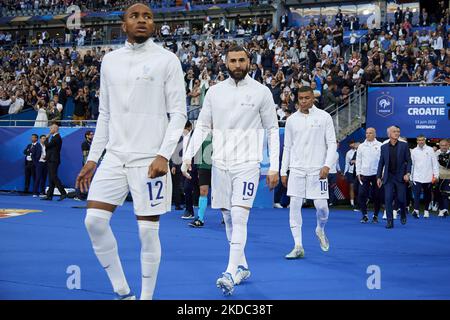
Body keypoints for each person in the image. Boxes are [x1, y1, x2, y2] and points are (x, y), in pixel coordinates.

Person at [75, 3, 187, 300]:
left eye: (147, 16)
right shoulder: (110, 61)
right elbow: (105, 115)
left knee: (147, 233)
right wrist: (91, 160)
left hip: (149, 160)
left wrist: (164, 154)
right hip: (114, 156)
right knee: (94, 222)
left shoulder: (167, 60)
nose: (142, 20)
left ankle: (146, 297)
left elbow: (178, 114)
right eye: (134, 16)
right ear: (123, 24)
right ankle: (122, 291)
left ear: (154, 25)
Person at [181, 45, 280, 296]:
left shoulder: (262, 92)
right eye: (233, 61)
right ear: (226, 63)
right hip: (220, 163)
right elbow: (202, 126)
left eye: (242, 60)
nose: (237, 64)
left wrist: (274, 166)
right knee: (227, 216)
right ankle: (242, 266)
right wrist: (188, 155)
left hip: (247, 163)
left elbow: (272, 130)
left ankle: (229, 272)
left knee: (239, 216)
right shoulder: (214, 92)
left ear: (250, 62)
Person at [281, 86, 337, 259]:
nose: (303, 101)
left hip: (317, 170)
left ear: (313, 98)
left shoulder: (324, 117)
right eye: (300, 98)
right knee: (294, 206)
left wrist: (327, 165)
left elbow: (332, 144)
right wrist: (284, 171)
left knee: (322, 207)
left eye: (307, 98)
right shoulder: (291, 120)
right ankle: (298, 245)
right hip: (296, 170)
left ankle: (320, 229)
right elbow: (288, 147)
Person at [377, 126, 412, 229]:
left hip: (401, 176)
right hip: (388, 177)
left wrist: (408, 173)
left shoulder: (404, 145)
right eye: (394, 131)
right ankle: (389, 221)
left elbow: (409, 161)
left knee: (401, 199)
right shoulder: (383, 147)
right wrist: (378, 177)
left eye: (398, 131)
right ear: (389, 134)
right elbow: (381, 163)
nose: (397, 133)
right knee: (388, 199)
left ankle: (403, 214)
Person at [356, 128, 382, 223]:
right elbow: (358, 160)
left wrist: (381, 173)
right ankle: (364, 215)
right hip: (364, 174)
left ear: (375, 134)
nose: (368, 135)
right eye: (367, 133)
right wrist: (358, 173)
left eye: (370, 133)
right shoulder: (361, 146)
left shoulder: (380, 145)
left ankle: (375, 216)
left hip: (376, 175)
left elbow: (382, 161)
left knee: (377, 196)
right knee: (361, 195)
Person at [411, 135, 439, 219]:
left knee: (427, 195)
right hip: (417, 177)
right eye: (419, 140)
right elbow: (412, 165)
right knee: (416, 194)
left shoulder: (430, 150)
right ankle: (416, 211)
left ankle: (426, 211)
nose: (421, 142)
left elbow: (434, 164)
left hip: (428, 177)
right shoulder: (414, 151)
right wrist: (411, 177)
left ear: (425, 140)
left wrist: (436, 175)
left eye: (422, 140)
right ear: (417, 141)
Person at [188, 133, 212, 228]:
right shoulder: (200, 132)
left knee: (222, 192)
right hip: (203, 166)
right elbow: (196, 149)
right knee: (203, 191)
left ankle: (225, 216)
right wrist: (197, 166)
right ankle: (200, 219)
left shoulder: (221, 129)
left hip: (219, 165)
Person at [41, 123, 67, 201]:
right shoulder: (54, 137)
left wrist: (46, 139)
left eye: (51, 129)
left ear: (55, 129)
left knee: (53, 176)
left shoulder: (57, 137)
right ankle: (49, 195)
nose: (50, 130)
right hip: (51, 159)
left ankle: (63, 192)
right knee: (51, 178)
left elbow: (48, 146)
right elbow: (51, 149)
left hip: (54, 160)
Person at [436, 139, 450, 217]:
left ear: (448, 145)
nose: (444, 147)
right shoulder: (435, 153)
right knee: (438, 194)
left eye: (445, 145)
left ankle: (445, 210)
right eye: (442, 145)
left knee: (446, 194)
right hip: (438, 177)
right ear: (439, 145)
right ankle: (441, 209)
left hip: (448, 177)